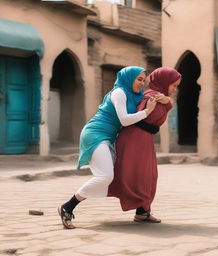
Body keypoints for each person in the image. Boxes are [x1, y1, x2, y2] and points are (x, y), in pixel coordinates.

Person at [58, 66, 157, 229]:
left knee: (120, 174)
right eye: (139, 79)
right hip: (95, 134)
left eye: (144, 80)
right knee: (105, 176)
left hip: (109, 137)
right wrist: (147, 112)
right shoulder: (120, 93)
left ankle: (141, 210)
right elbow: (125, 120)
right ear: (128, 78)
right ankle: (67, 207)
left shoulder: (135, 95)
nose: (142, 83)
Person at [108, 67, 181, 223]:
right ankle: (75, 201)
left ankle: (142, 211)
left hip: (143, 139)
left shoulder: (158, 96)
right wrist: (166, 101)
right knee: (137, 175)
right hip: (134, 138)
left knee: (148, 175)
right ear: (164, 82)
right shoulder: (151, 97)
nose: (175, 89)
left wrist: (168, 100)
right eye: (173, 85)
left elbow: (162, 109)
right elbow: (141, 118)